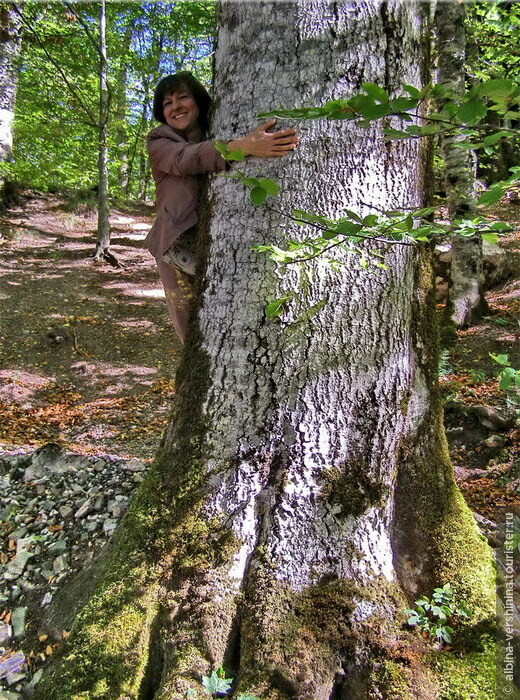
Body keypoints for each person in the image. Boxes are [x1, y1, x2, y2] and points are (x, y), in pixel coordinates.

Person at [145, 71, 298, 344]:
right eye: (167, 102)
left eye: (183, 97)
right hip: (176, 244)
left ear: (198, 101)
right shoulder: (159, 140)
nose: (176, 107)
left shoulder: (215, 128)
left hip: (209, 237)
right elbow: (184, 159)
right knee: (191, 333)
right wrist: (241, 147)